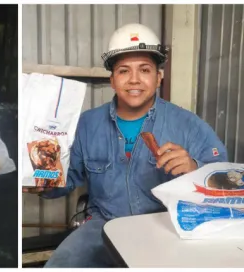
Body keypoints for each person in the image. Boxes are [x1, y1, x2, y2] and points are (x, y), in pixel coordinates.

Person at [23, 23, 229, 267]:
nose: (134, 80)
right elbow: (70, 177)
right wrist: (43, 185)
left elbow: (224, 179)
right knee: (60, 265)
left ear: (158, 77)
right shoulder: (87, 125)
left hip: (166, 226)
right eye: (123, 71)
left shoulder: (188, 124)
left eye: (144, 70)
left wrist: (195, 167)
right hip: (104, 226)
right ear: (112, 80)